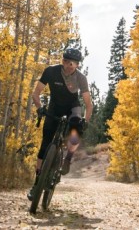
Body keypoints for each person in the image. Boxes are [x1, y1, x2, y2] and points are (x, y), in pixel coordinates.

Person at [27, 47, 93, 200]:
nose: (69, 65)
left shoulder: (81, 78)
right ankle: (36, 184)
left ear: (77, 65)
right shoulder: (51, 71)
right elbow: (36, 93)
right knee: (45, 144)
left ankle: (68, 159)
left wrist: (86, 121)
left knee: (76, 128)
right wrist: (40, 109)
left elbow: (88, 104)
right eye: (66, 61)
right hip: (54, 107)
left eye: (73, 63)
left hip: (73, 107)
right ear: (62, 60)